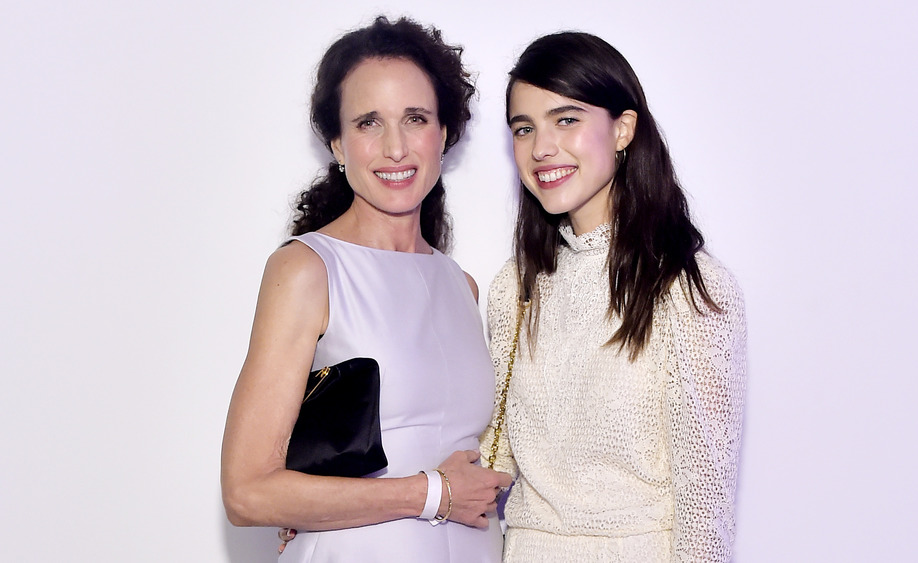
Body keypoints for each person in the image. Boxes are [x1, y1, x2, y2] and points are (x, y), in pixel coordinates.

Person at [221, 16, 510, 562]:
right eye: (369, 123)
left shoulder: (462, 286)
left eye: (416, 118)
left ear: (444, 133)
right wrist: (429, 494)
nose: (395, 147)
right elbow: (247, 492)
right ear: (337, 142)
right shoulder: (307, 270)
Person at [481, 31, 747, 561]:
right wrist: (338, 504)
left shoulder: (689, 288)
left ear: (623, 129)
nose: (542, 147)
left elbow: (705, 508)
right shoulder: (515, 286)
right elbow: (490, 461)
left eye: (567, 120)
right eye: (524, 128)